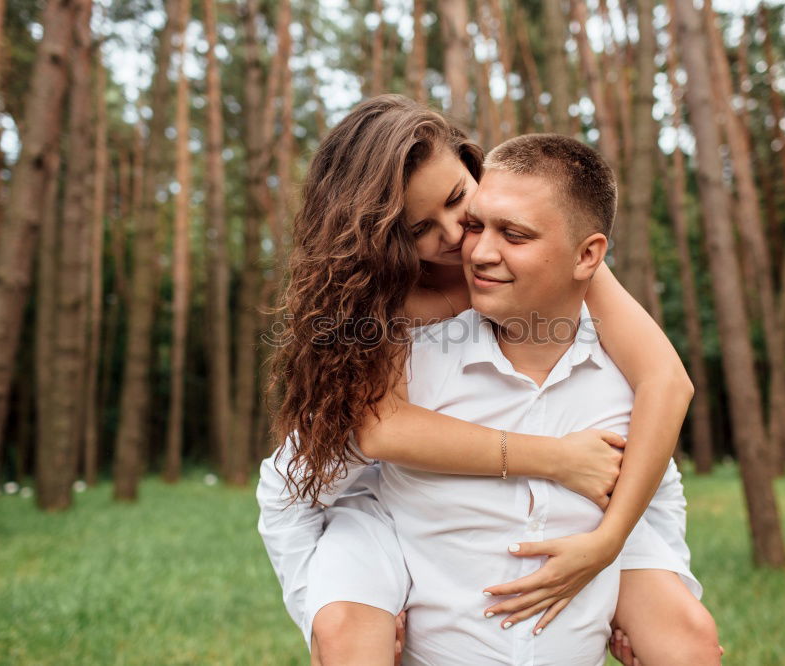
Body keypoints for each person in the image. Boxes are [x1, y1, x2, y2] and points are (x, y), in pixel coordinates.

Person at [258, 96, 719, 664]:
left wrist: (612, 547)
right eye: (421, 227)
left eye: (460, 201)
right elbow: (380, 432)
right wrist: (554, 458)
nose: (458, 237)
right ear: (384, 237)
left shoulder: (554, 255)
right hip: (384, 508)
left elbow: (665, 381)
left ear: (472, 165)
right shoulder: (379, 301)